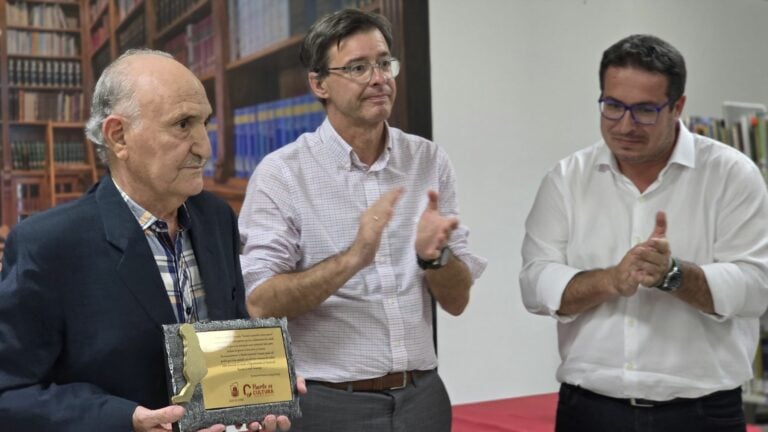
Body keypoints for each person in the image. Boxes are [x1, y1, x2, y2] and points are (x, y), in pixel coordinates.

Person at [0, 49, 303, 432]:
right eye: (182, 125)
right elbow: (10, 393)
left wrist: (265, 389)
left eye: (204, 123)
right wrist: (125, 420)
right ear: (119, 136)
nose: (205, 148)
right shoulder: (48, 245)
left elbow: (230, 338)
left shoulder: (216, 218)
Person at [238, 8, 486, 432]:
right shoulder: (282, 173)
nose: (379, 78)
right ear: (319, 84)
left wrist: (435, 257)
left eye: (384, 63)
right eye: (358, 67)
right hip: (328, 405)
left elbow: (457, 302)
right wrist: (355, 257)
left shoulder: (427, 159)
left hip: (421, 397)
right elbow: (260, 302)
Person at [520, 34, 768, 432]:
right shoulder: (567, 178)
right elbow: (534, 286)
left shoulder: (731, 175)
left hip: (700, 413)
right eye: (613, 106)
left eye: (645, 110)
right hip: (589, 409)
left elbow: (757, 287)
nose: (626, 125)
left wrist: (674, 276)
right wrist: (610, 281)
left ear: (678, 107)